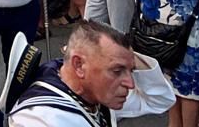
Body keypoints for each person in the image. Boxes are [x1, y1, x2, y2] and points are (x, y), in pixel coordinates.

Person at [7, 22, 137, 126]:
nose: (130, 84)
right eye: (117, 71)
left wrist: (126, 55)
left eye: (130, 71)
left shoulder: (78, 80)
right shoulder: (39, 119)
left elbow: (153, 99)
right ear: (78, 65)